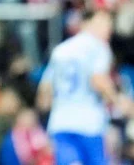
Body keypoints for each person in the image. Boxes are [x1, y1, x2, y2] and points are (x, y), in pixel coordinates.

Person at [36, 9, 133, 165]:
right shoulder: (98, 47)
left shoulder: (61, 50)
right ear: (87, 23)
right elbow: (98, 80)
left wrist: (44, 122)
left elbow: (45, 91)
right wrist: (118, 101)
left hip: (60, 122)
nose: (108, 29)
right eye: (104, 23)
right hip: (88, 122)